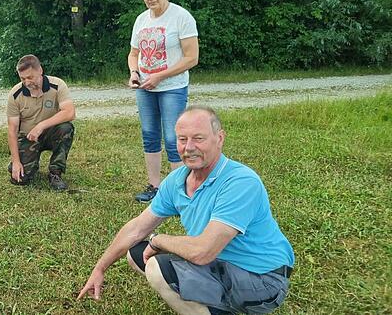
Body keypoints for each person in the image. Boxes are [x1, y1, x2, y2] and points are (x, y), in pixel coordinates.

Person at [78, 106, 295, 314]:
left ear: (219, 138)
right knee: (136, 254)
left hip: (263, 279)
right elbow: (136, 228)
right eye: (182, 139)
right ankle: (214, 306)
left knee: (156, 266)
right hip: (219, 264)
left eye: (198, 138)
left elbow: (203, 251)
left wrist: (159, 240)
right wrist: (100, 268)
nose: (189, 147)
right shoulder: (177, 180)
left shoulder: (240, 182)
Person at [128, 0, 199, 203]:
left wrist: (160, 76)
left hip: (172, 87)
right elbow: (134, 53)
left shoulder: (181, 17)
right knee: (149, 135)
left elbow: (191, 58)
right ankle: (154, 187)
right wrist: (134, 73)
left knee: (173, 138)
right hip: (145, 88)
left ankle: (178, 189)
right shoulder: (141, 19)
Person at [6, 55, 76, 191]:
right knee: (20, 180)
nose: (26, 82)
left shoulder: (57, 85)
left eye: (30, 77)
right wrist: (16, 161)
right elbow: (12, 130)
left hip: (51, 133)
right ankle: (26, 163)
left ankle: (55, 173)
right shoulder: (15, 94)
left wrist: (41, 126)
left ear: (40, 71)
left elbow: (70, 112)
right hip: (28, 137)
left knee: (66, 128)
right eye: (22, 78)